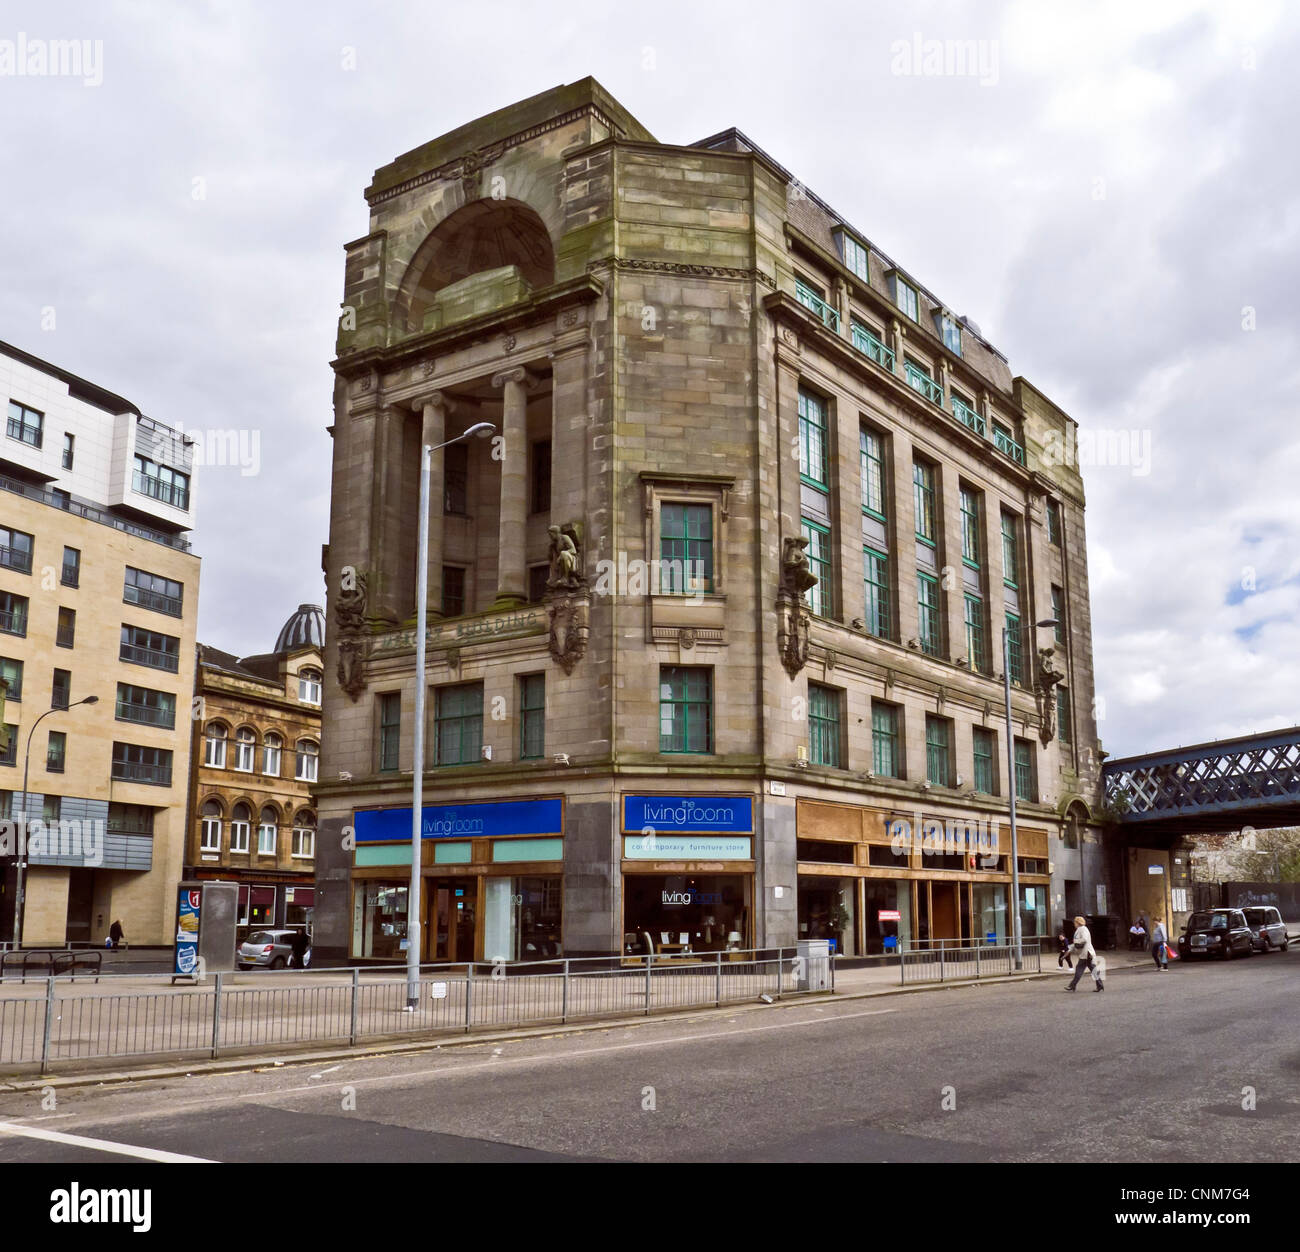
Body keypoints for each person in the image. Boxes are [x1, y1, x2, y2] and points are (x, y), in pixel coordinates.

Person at [1064, 915, 1104, 992]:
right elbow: (1077, 943)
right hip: (1086, 954)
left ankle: (1072, 986)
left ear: (1078, 922)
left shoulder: (1083, 929)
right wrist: (1070, 949)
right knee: (1093, 970)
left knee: (1079, 970)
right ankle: (1100, 985)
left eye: (1075, 922)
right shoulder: (1080, 929)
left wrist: (1075, 941)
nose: (1074, 924)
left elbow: (1084, 939)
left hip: (1086, 954)